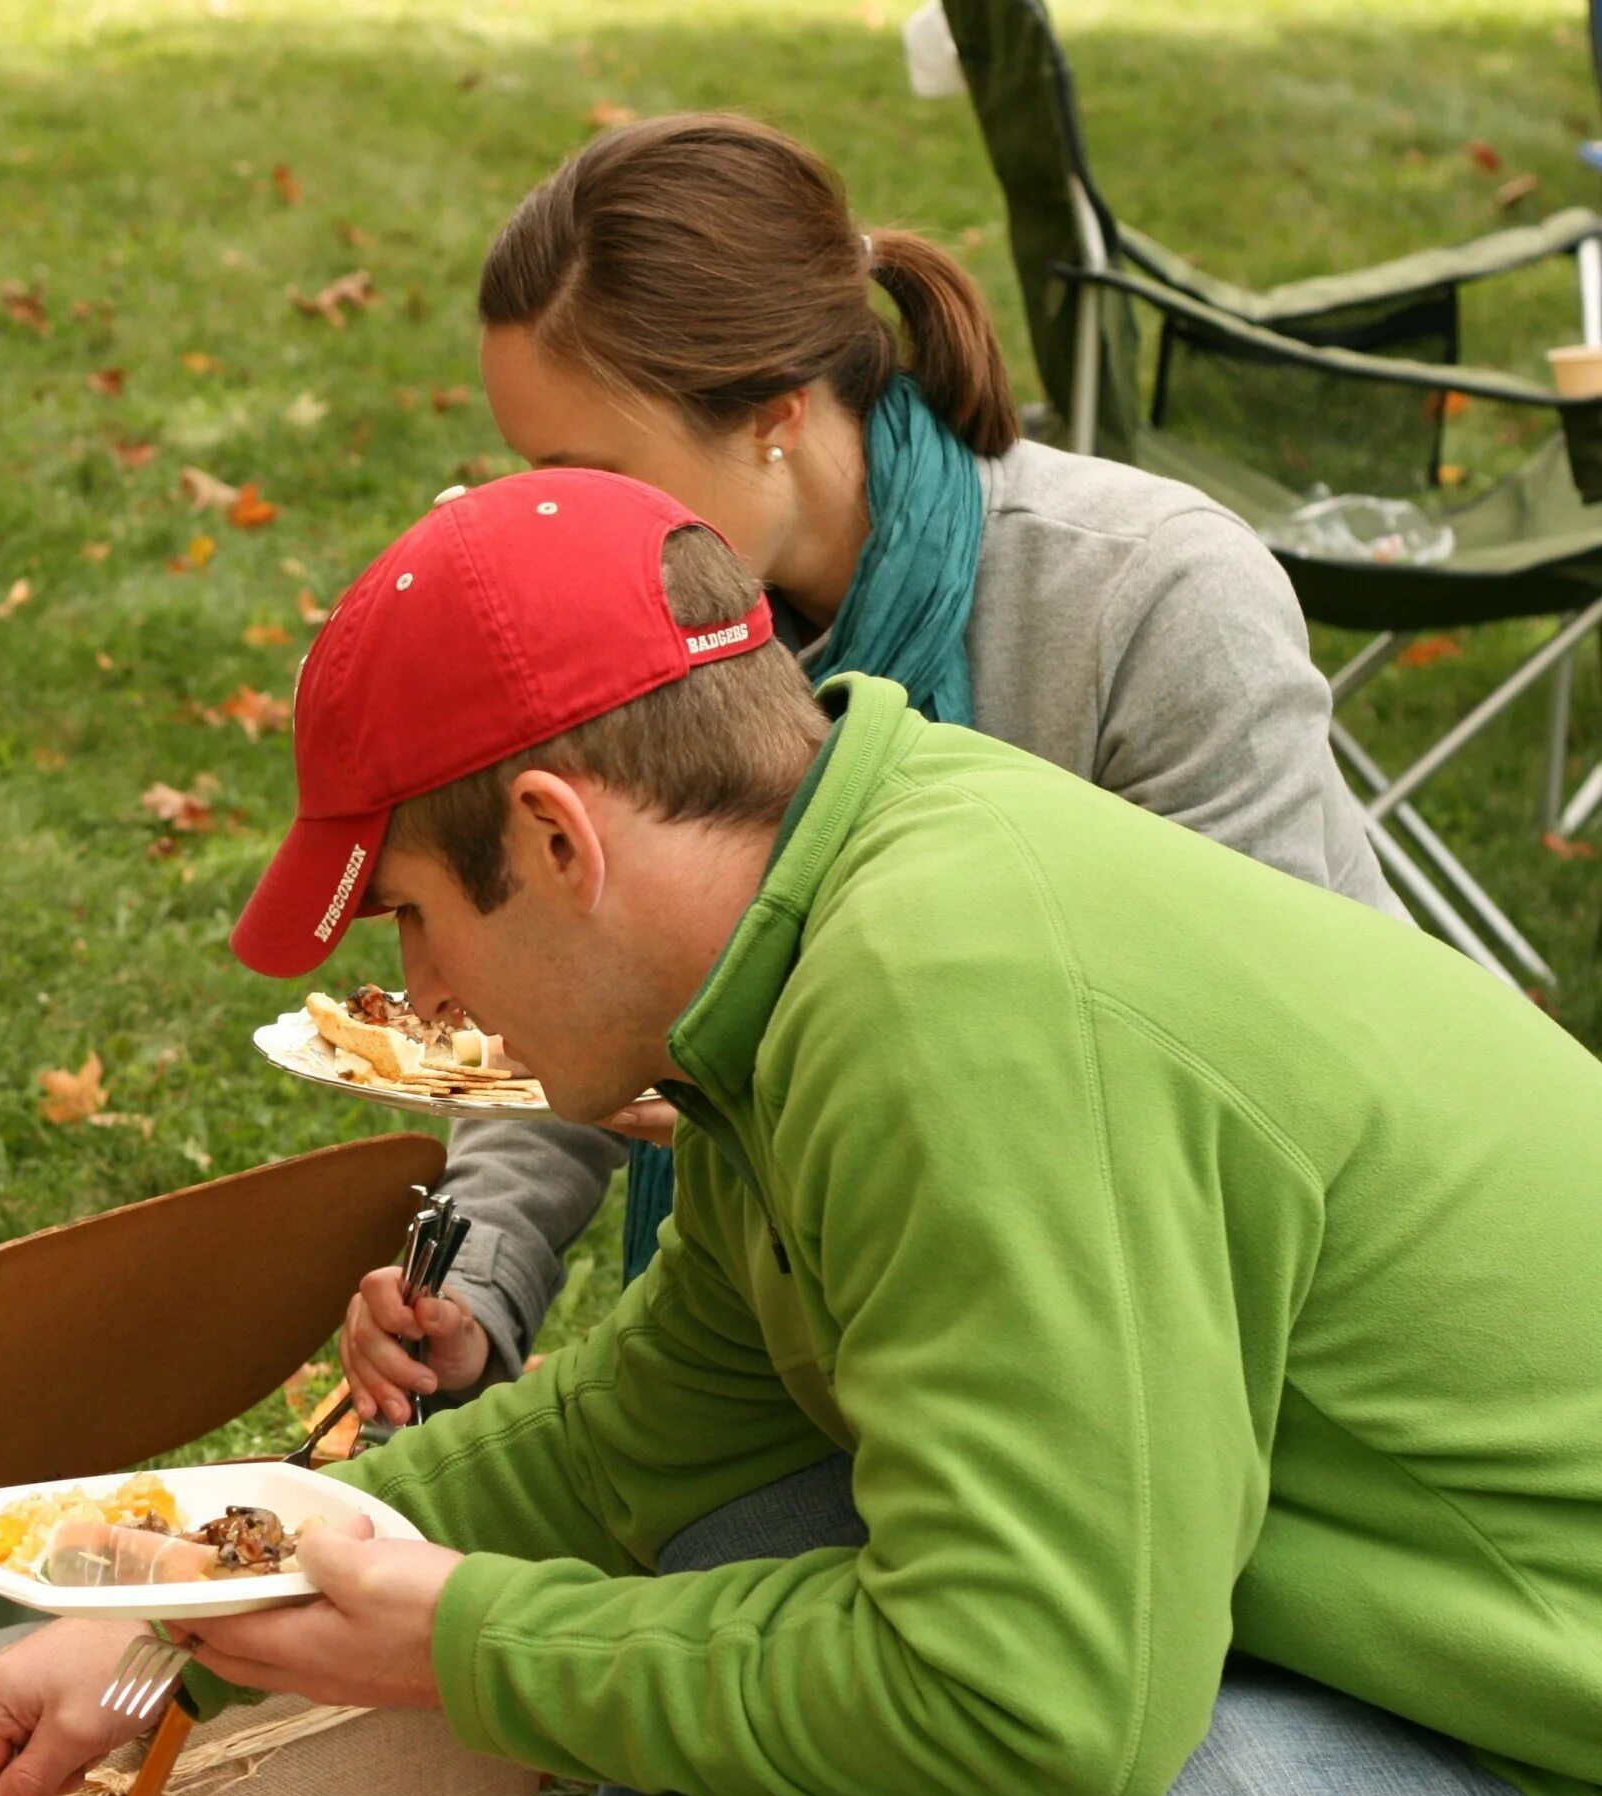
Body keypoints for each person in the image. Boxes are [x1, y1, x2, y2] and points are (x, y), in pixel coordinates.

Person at [0, 471, 1602, 1796]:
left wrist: (460, 1640)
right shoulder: (836, 900)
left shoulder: (944, 1008)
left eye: (411, 914)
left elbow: (1035, 1700)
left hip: (1553, 1759)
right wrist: (179, 1595)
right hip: (1444, 1633)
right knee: (733, 1587)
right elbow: (633, 1449)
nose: (425, 996)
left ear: (556, 838)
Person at [334, 113, 1405, 1428]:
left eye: (585, 472)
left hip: (1228, 1345)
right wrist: (472, 1286)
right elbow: (563, 956)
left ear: (776, 414)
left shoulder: (1145, 598)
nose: (552, 518)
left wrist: (781, 1109)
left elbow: (1265, 1083)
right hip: (835, 1317)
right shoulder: (635, 620)